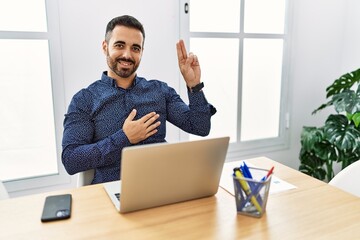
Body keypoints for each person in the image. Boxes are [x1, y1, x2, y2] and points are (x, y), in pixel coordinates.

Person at [62, 15, 216, 184]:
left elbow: (200, 127)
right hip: (113, 190)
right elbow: (71, 159)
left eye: (135, 48)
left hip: (163, 185)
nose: (127, 55)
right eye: (120, 45)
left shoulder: (160, 91)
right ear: (105, 47)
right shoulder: (85, 99)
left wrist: (194, 85)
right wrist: (124, 137)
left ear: (142, 51)